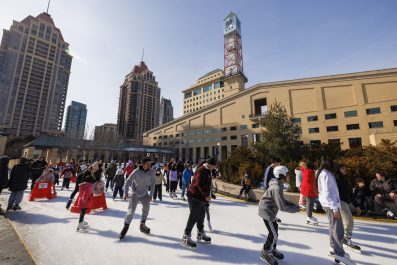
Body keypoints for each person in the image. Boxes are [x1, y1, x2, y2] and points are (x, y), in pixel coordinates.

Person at [317, 158, 355, 265]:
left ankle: (333, 248)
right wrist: (334, 208)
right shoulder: (325, 174)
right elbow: (328, 192)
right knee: (338, 229)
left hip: (330, 204)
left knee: (333, 226)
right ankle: (339, 253)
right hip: (331, 205)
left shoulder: (326, 173)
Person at [258, 165, 299, 265]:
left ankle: (271, 249)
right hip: (266, 212)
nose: (289, 176)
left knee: (274, 232)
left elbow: (281, 201)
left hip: (270, 211)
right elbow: (282, 206)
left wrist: (293, 205)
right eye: (287, 174)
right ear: (281, 175)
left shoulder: (278, 184)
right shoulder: (276, 187)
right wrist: (295, 209)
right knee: (274, 234)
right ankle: (266, 253)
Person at [181, 157, 216, 250]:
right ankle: (186, 236)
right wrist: (206, 195)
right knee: (194, 216)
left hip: (201, 197)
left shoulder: (208, 170)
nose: (214, 168)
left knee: (201, 215)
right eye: (213, 166)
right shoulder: (201, 170)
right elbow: (199, 184)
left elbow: (207, 184)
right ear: (209, 164)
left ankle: (200, 233)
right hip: (194, 196)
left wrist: (209, 195)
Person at [119, 156, 156, 240]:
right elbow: (128, 181)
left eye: (150, 164)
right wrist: (125, 193)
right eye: (148, 164)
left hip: (144, 193)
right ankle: (125, 227)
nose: (150, 165)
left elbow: (153, 183)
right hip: (134, 193)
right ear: (143, 164)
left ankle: (142, 224)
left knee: (146, 207)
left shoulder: (151, 172)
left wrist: (151, 194)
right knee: (131, 211)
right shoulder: (136, 171)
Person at [334, 164, 361, 252]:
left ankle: (345, 239)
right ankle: (346, 240)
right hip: (339, 202)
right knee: (349, 222)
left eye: (345, 168)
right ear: (338, 169)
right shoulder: (337, 179)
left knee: (345, 223)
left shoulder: (345, 179)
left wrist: (356, 205)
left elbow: (350, 194)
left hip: (344, 202)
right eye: (342, 168)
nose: (345, 169)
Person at [300, 160, 318, 225]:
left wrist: (302, 165)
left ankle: (308, 216)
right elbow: (310, 180)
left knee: (308, 204)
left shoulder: (304, 171)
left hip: (306, 190)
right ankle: (309, 216)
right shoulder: (310, 172)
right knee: (310, 204)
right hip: (310, 191)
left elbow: (301, 168)